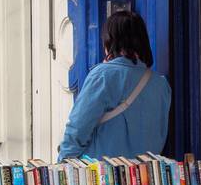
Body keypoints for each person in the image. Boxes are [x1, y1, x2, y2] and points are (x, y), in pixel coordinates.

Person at [59, 9, 171, 160]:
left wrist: (63, 164)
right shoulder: (161, 85)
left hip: (104, 178)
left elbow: (77, 129)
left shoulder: (103, 76)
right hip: (146, 176)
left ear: (110, 41)